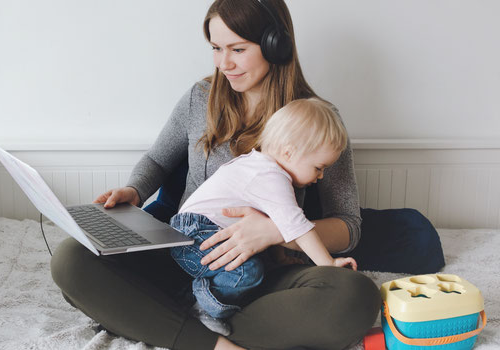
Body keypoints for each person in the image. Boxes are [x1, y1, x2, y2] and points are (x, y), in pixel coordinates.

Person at [51, 1, 384, 349]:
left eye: (238, 49)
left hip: (261, 275)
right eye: (216, 48)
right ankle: (214, 340)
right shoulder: (200, 98)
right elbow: (158, 161)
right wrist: (134, 190)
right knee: (72, 260)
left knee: (355, 295)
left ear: (275, 45)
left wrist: (274, 233)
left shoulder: (319, 124)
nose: (225, 63)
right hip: (183, 254)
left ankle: (166, 321)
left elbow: (349, 226)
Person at [170, 98, 358, 336]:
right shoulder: (270, 177)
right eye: (318, 167)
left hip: (193, 230)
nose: (320, 176)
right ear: (289, 153)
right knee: (247, 273)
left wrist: (279, 258)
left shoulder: (261, 168)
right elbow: (297, 226)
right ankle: (202, 308)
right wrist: (328, 263)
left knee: (257, 268)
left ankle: (193, 297)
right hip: (193, 234)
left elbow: (270, 223)